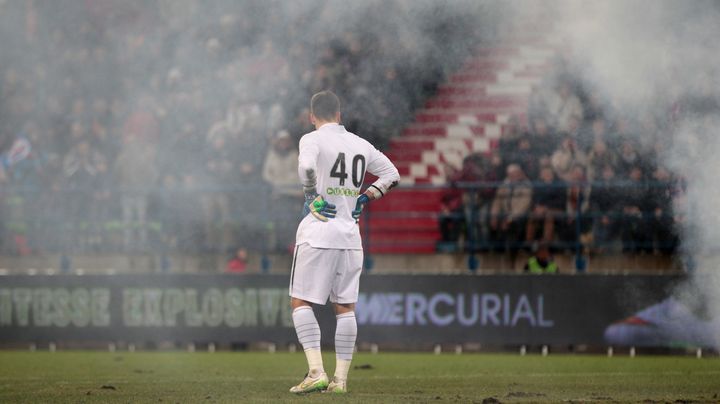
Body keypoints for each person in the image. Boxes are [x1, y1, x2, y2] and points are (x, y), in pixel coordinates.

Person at [289, 91, 399, 394]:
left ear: (313, 117)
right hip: (351, 235)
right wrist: (366, 196)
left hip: (319, 231)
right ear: (340, 114)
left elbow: (307, 168)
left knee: (300, 301)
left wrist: (312, 196)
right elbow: (392, 174)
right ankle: (340, 380)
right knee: (345, 307)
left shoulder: (311, 139)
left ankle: (315, 371)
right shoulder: (360, 144)